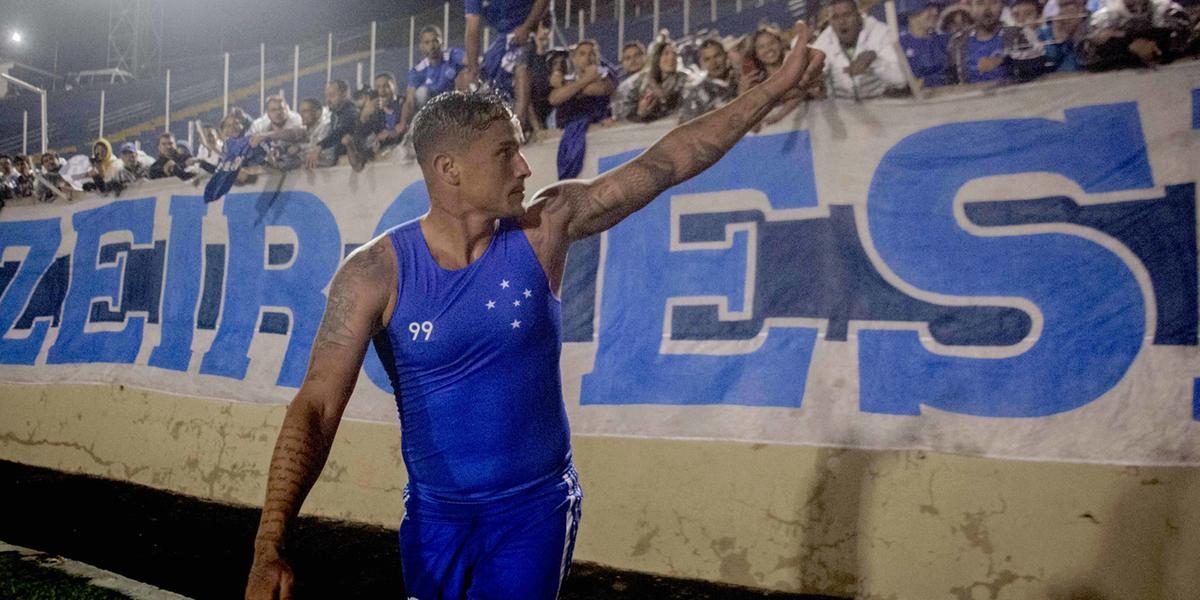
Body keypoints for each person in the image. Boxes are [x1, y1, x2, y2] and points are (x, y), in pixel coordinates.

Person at [244, 21, 825, 600]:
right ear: (449, 170)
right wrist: (270, 543)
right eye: (506, 153)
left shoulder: (544, 228)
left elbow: (667, 162)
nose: (525, 168)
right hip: (435, 521)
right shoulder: (372, 273)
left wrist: (771, 91)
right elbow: (317, 407)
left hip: (534, 515)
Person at [461, 0, 551, 133]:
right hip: (503, 37)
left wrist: (527, 26)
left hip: (533, 26)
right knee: (467, 79)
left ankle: (520, 123)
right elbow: (472, 27)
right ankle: (475, 129)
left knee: (520, 63)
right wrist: (472, 68)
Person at [1080, 0, 1192, 70]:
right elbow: (1085, 57)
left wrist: (1121, 39)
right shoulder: (1100, 20)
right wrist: (1128, 45)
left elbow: (1184, 42)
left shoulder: (1169, 11)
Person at [401, 26, 468, 139]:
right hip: (432, 111)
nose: (432, 46)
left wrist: (463, 74)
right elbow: (409, 101)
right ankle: (428, 130)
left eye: (435, 41)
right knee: (421, 92)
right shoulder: (418, 70)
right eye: (427, 42)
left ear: (442, 42)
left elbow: (473, 63)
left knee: (467, 76)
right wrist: (403, 123)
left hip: (455, 105)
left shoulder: (453, 55)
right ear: (422, 47)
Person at [619, 38, 692, 123]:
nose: (671, 57)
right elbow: (625, 116)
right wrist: (640, 113)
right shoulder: (639, 83)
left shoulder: (684, 79)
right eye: (666, 53)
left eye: (674, 53)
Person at [677, 38, 741, 123]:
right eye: (707, 59)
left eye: (717, 56)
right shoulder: (695, 93)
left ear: (726, 55)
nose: (713, 62)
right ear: (701, 63)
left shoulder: (741, 79)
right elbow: (685, 128)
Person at [901, 0, 952, 87]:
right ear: (911, 12)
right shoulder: (898, 44)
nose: (935, 12)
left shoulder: (945, 40)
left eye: (936, 8)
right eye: (928, 8)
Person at [1038, 0, 1092, 71]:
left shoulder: (1090, 23)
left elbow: (1087, 56)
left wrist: (1077, 31)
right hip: (1058, 76)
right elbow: (1052, 56)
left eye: (1073, 4)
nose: (1068, 10)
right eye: (1064, 6)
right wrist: (1057, 33)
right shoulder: (1046, 30)